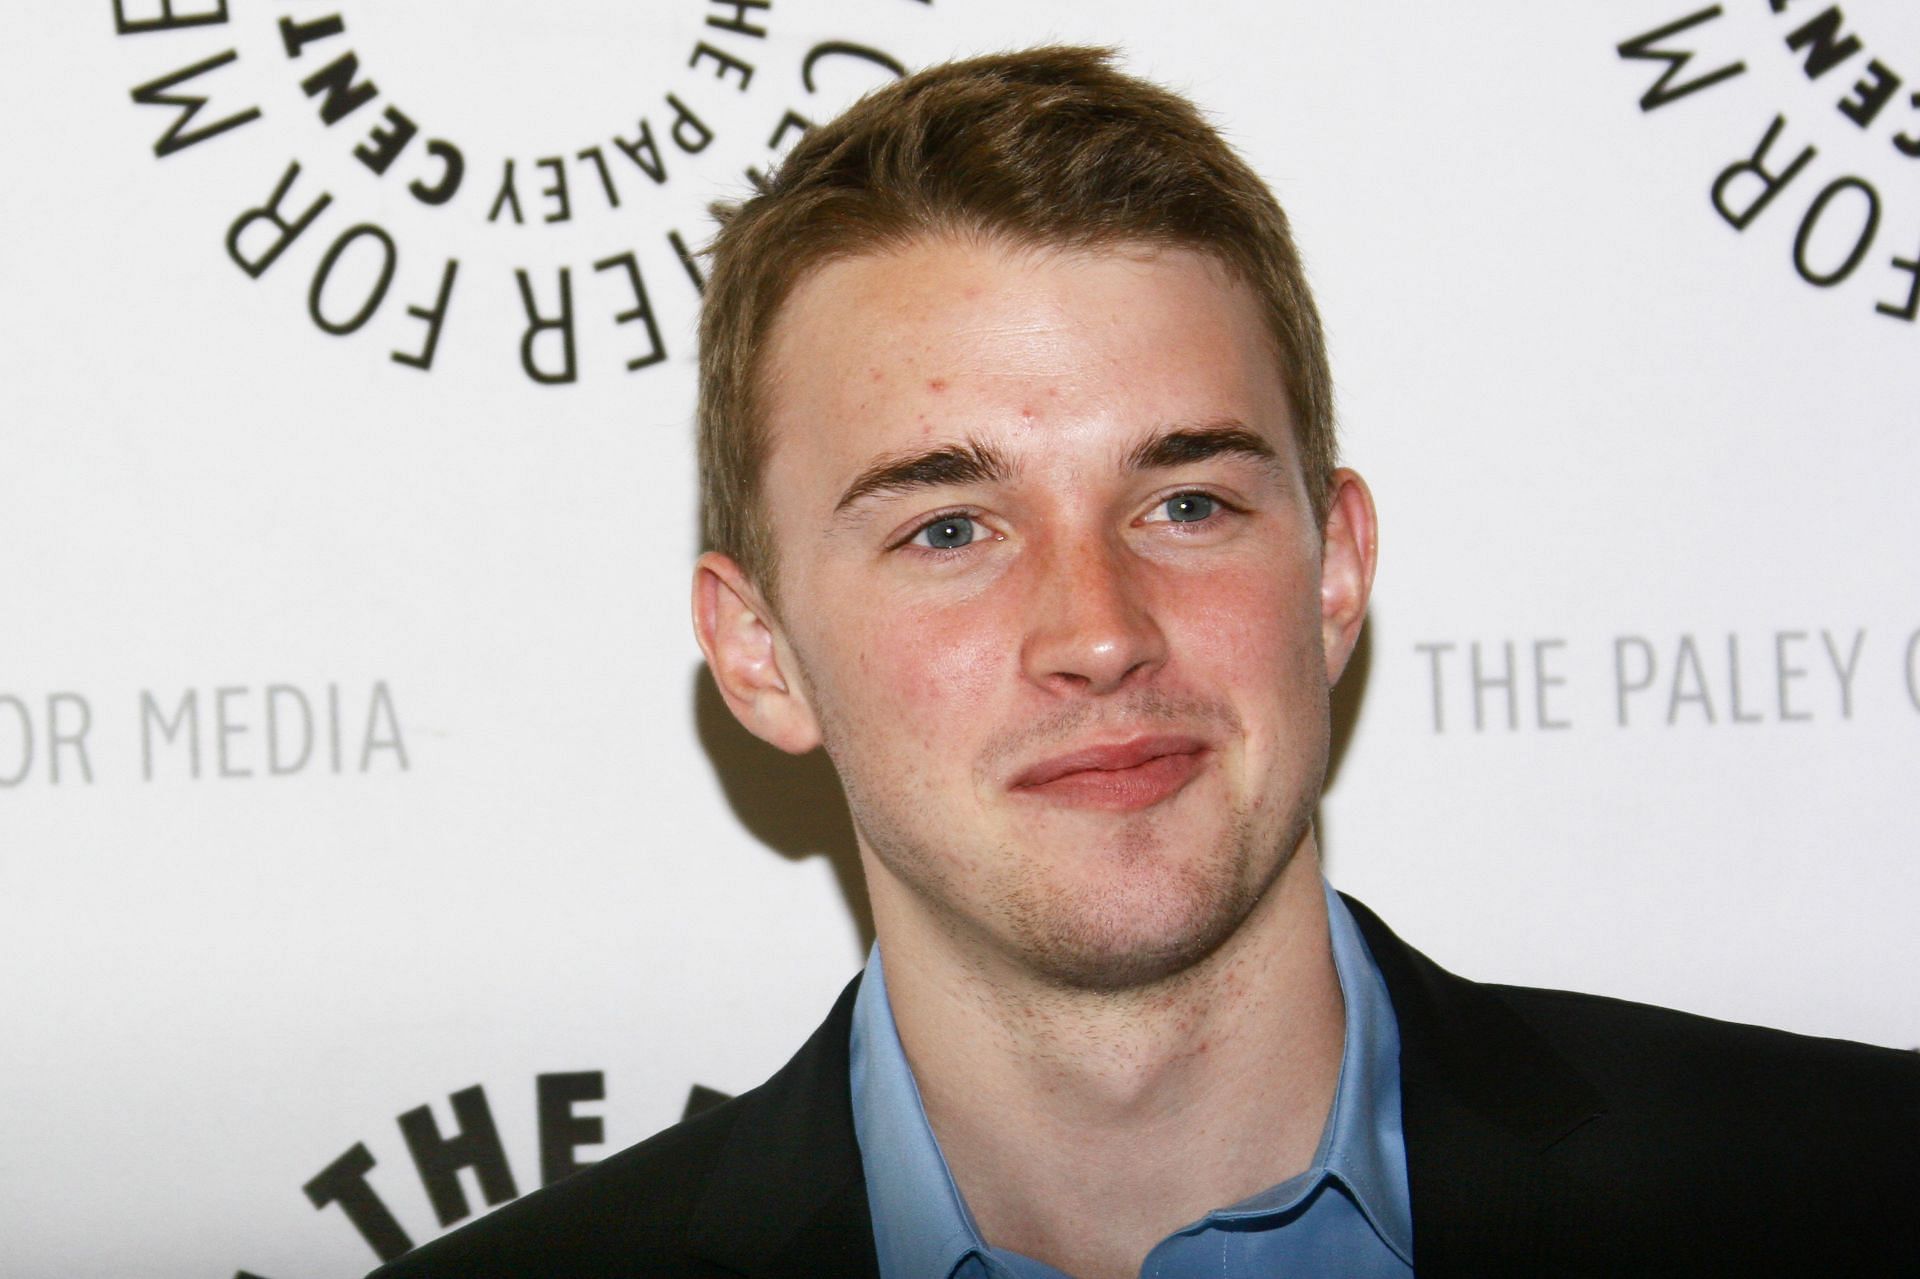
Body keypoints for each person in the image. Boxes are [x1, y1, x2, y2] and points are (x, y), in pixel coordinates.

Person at [371, 46, 1919, 1279]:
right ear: (758, 652)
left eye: (1185, 501)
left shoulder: (1851, 1201)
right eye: (949, 530)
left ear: (1333, 570)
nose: (1100, 629)